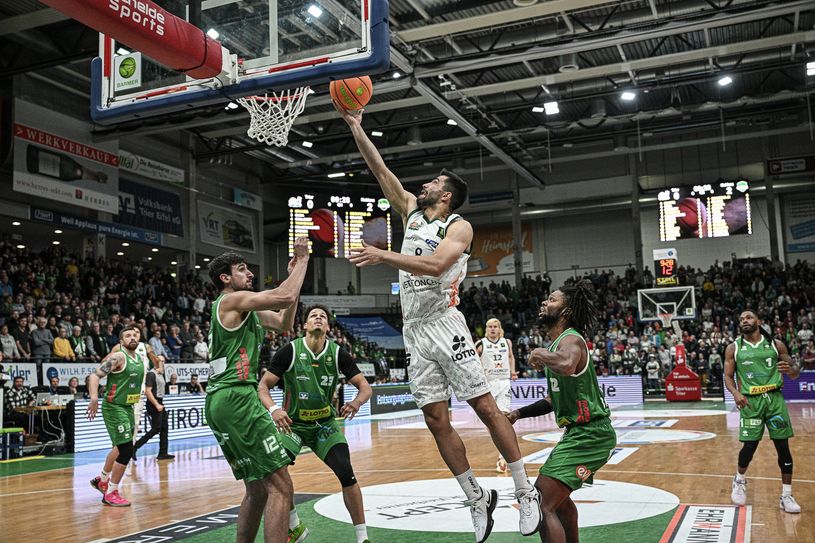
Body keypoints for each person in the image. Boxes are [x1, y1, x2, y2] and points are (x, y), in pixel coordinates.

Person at [336, 101, 541, 542]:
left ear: (445, 195)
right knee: (434, 419)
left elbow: (432, 266)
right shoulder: (410, 212)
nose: (424, 185)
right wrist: (356, 126)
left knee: (485, 407)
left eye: (434, 182)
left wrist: (382, 254)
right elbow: (380, 170)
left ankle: (525, 493)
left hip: (446, 324)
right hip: (414, 330)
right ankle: (476, 498)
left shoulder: (459, 227)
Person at [205, 238, 309, 543]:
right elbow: (285, 294)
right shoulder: (230, 301)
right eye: (242, 269)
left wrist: (295, 279)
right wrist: (302, 261)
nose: (249, 274)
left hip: (222, 400)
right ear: (225, 278)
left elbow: (284, 322)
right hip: (237, 396)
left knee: (256, 488)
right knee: (281, 486)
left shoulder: (244, 309)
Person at [507, 281, 617, 543]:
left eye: (552, 300)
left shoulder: (570, 339)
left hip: (590, 434)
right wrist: (518, 414)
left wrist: (539, 353)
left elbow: (567, 365)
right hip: (580, 434)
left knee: (542, 504)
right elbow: (553, 399)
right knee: (560, 503)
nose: (545, 303)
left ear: (566, 311)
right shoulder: (559, 343)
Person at [259, 305, 373, 543]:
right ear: (305, 325)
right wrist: (274, 409)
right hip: (294, 424)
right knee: (275, 471)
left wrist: (356, 403)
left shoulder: (338, 353)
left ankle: (363, 538)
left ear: (328, 327)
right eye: (313, 316)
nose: (318, 318)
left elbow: (365, 387)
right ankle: (294, 525)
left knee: (346, 472)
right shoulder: (289, 351)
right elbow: (263, 386)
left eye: (323, 316)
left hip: (324, 424)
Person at [725, 309, 801, 513]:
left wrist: (792, 370)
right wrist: (735, 393)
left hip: (774, 399)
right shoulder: (734, 348)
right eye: (741, 319)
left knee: (782, 447)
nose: (744, 321)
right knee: (749, 447)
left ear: (758, 321)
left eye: (748, 317)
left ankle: (786, 495)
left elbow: (794, 372)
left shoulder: (776, 345)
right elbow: (728, 376)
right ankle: (739, 479)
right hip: (751, 402)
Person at [86, 324, 146, 507]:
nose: (132, 337)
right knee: (127, 449)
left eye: (134, 335)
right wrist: (94, 398)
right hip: (114, 407)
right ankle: (110, 492)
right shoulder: (119, 357)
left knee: (121, 447)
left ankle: (103, 479)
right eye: (127, 336)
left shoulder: (139, 358)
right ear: (121, 341)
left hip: (128, 406)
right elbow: (95, 376)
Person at [475, 318, 518, 473]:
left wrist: (513, 371)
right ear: (486, 329)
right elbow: (474, 361)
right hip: (488, 384)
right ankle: (502, 447)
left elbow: (511, 357)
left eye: (495, 326)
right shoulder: (480, 343)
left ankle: (503, 456)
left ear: (500, 328)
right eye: (490, 327)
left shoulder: (507, 342)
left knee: (505, 417)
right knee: (492, 422)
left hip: (504, 382)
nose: (492, 329)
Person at [134, 360, 174, 460]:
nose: (163, 362)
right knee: (156, 429)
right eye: (161, 361)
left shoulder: (160, 374)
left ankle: (163, 453)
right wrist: (156, 404)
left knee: (164, 428)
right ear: (156, 363)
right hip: (153, 402)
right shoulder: (151, 374)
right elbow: (147, 391)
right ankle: (134, 447)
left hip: (160, 401)